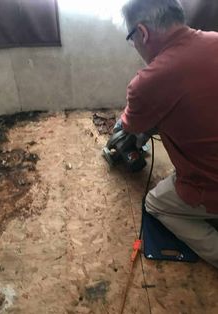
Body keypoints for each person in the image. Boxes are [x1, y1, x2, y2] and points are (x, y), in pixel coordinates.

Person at [119, 0, 218, 268]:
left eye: (131, 38)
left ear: (143, 32)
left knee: (155, 203)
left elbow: (130, 126)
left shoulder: (149, 81)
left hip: (211, 185)